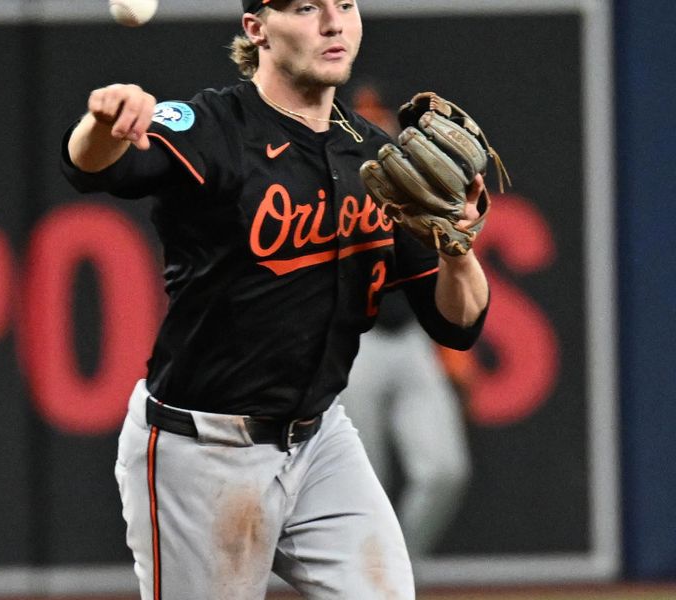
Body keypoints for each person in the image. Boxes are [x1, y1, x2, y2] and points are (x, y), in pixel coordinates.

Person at [61, 1, 489, 598]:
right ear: (256, 28)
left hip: (320, 442)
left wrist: (456, 247)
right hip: (201, 450)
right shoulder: (216, 126)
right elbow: (93, 167)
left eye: (345, 4)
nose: (334, 23)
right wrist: (106, 121)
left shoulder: (374, 154)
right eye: (307, 7)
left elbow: (458, 324)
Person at [340, 290, 473, 559]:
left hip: (414, 334)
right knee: (363, 481)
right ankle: (361, 577)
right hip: (351, 334)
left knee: (444, 472)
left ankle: (399, 566)